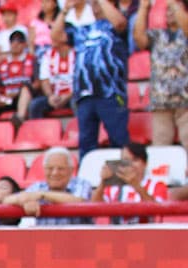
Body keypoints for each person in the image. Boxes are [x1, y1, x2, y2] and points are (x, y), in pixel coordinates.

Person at [53, 0, 130, 158]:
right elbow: (55, 36)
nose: (95, 6)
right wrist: (65, 10)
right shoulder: (81, 30)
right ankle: (87, 180)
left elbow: (120, 22)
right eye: (93, 4)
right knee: (86, 143)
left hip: (111, 93)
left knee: (118, 139)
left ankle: (122, 178)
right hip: (85, 94)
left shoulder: (114, 28)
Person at [133, 0, 188, 147]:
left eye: (174, 8)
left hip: (185, 102)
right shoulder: (157, 35)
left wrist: (174, 4)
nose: (169, 12)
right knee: (160, 149)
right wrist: (144, 8)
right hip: (160, 102)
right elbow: (139, 39)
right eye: (167, 9)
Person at [0, 145, 92, 223]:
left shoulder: (82, 184)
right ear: (44, 170)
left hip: (77, 242)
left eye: (61, 169)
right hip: (44, 242)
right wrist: (23, 202)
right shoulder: (38, 186)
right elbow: (7, 200)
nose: (55, 173)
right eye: (50, 168)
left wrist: (42, 195)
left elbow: (79, 201)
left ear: (71, 170)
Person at [89, 141, 168, 222]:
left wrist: (136, 185)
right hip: (117, 233)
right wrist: (103, 182)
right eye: (126, 160)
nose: (130, 165)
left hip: (145, 232)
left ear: (145, 163)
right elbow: (94, 208)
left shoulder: (157, 186)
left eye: (135, 160)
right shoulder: (113, 187)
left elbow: (156, 212)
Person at [28, 35, 75, 118]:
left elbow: (81, 82)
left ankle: (80, 130)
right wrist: (50, 96)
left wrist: (67, 96)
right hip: (55, 96)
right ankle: (38, 130)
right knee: (35, 105)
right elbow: (44, 80)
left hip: (73, 95)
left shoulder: (77, 55)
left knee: (78, 102)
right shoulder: (48, 55)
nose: (52, 36)